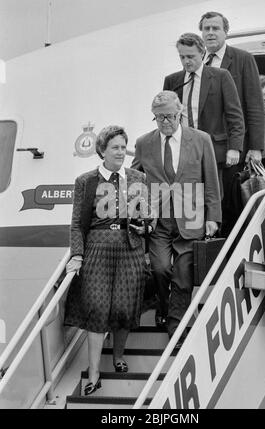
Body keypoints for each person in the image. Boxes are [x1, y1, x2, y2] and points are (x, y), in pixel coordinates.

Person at [64, 125, 153, 395]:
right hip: (97, 249)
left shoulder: (138, 177)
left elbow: (149, 217)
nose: (120, 152)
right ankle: (93, 371)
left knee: (125, 308)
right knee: (97, 311)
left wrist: (144, 227)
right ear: (101, 150)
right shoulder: (86, 181)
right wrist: (77, 254)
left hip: (130, 249)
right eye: (114, 147)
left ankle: (118, 356)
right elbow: (77, 224)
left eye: (123, 147)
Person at [131, 90, 222, 347]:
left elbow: (211, 180)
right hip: (159, 219)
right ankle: (163, 307)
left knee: (182, 276)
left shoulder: (201, 140)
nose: (164, 122)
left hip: (191, 218)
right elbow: (135, 178)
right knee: (160, 270)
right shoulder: (144, 143)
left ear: (180, 113)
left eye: (169, 116)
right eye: (158, 118)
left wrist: (213, 216)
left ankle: (175, 328)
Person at [199, 11, 265, 234]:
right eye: (206, 28)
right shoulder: (198, 62)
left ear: (225, 32)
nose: (210, 33)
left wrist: (255, 147)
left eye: (215, 28)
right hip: (205, 146)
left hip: (233, 147)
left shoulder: (242, 59)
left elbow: (255, 104)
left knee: (230, 204)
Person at [163, 32, 244, 198]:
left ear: (202, 53)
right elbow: (166, 116)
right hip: (182, 149)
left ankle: (214, 224)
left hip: (213, 148)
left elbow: (235, 115)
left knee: (213, 196)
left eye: (191, 56)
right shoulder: (172, 80)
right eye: (182, 57)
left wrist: (234, 147)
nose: (187, 61)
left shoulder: (221, 76)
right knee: (185, 196)